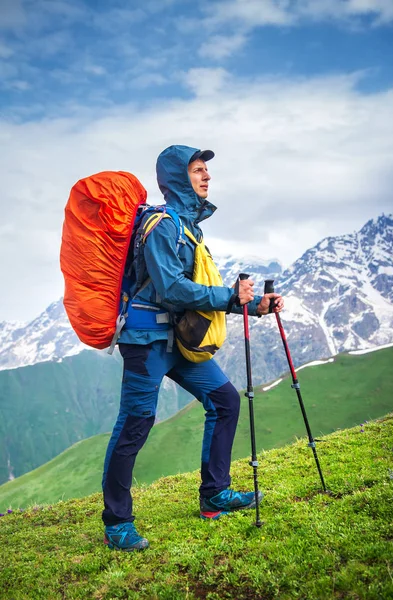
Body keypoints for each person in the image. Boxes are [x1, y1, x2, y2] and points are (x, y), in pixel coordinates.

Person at [102, 145, 284, 551]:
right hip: (146, 341)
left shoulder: (190, 228)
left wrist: (254, 306)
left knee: (224, 400)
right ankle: (117, 521)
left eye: (206, 170)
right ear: (178, 178)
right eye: (198, 170)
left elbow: (199, 289)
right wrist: (229, 297)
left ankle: (214, 493)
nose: (207, 177)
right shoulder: (164, 226)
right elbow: (171, 288)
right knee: (135, 424)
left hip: (179, 340)